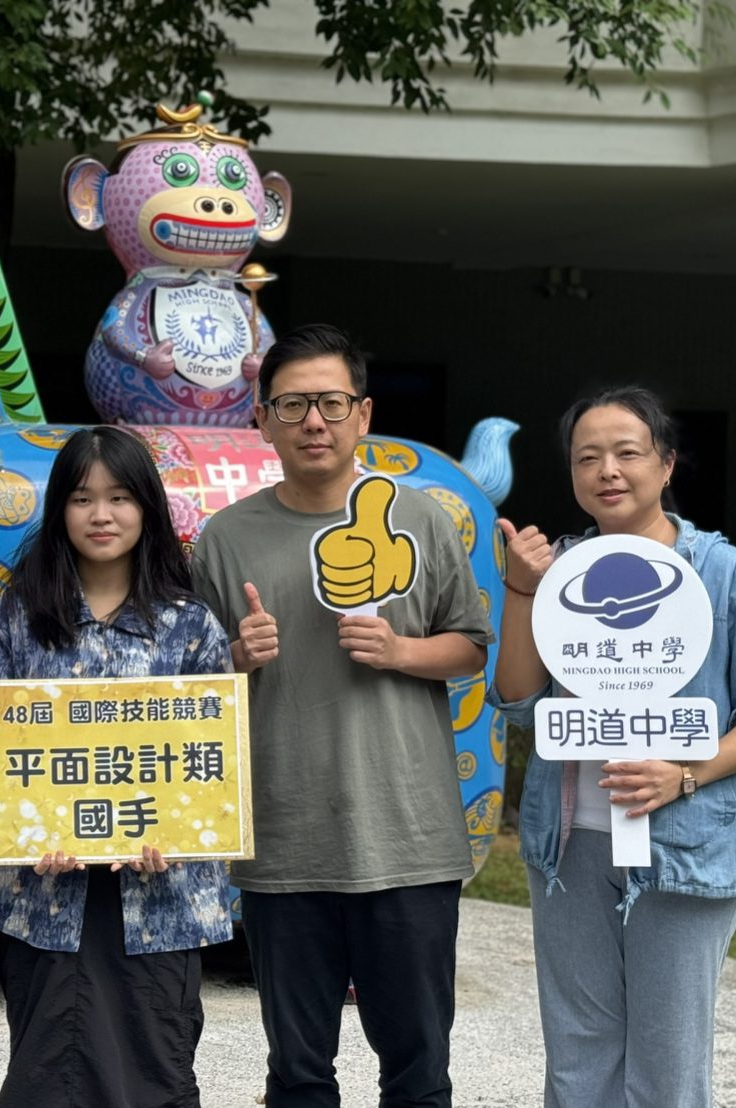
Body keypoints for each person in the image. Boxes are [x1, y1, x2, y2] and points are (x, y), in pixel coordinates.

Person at [190, 323, 492, 1108]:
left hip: (409, 839)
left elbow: (469, 647)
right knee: (297, 1075)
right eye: (291, 405)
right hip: (283, 841)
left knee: (418, 1074)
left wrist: (399, 651)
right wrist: (235, 657)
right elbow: (191, 689)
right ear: (261, 421)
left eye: (330, 402)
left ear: (362, 414)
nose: (313, 422)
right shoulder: (225, 538)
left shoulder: (419, 518)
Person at [490, 385, 736, 1108]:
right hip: (570, 844)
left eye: (626, 453)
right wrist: (521, 590)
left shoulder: (726, 573)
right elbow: (519, 702)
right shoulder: (555, 570)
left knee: (668, 1065)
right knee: (577, 1058)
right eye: (587, 457)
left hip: (684, 848)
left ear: (665, 464)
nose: (607, 470)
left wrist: (683, 775)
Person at [0, 425, 233, 1108]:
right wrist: (31, 831)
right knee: (46, 1075)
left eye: (119, 497)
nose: (101, 515)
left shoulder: (190, 625)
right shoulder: (20, 616)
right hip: (43, 894)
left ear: (146, 508)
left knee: (155, 1071)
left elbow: (211, 762)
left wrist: (176, 833)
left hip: (161, 895)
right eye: (82, 498)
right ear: (59, 509)